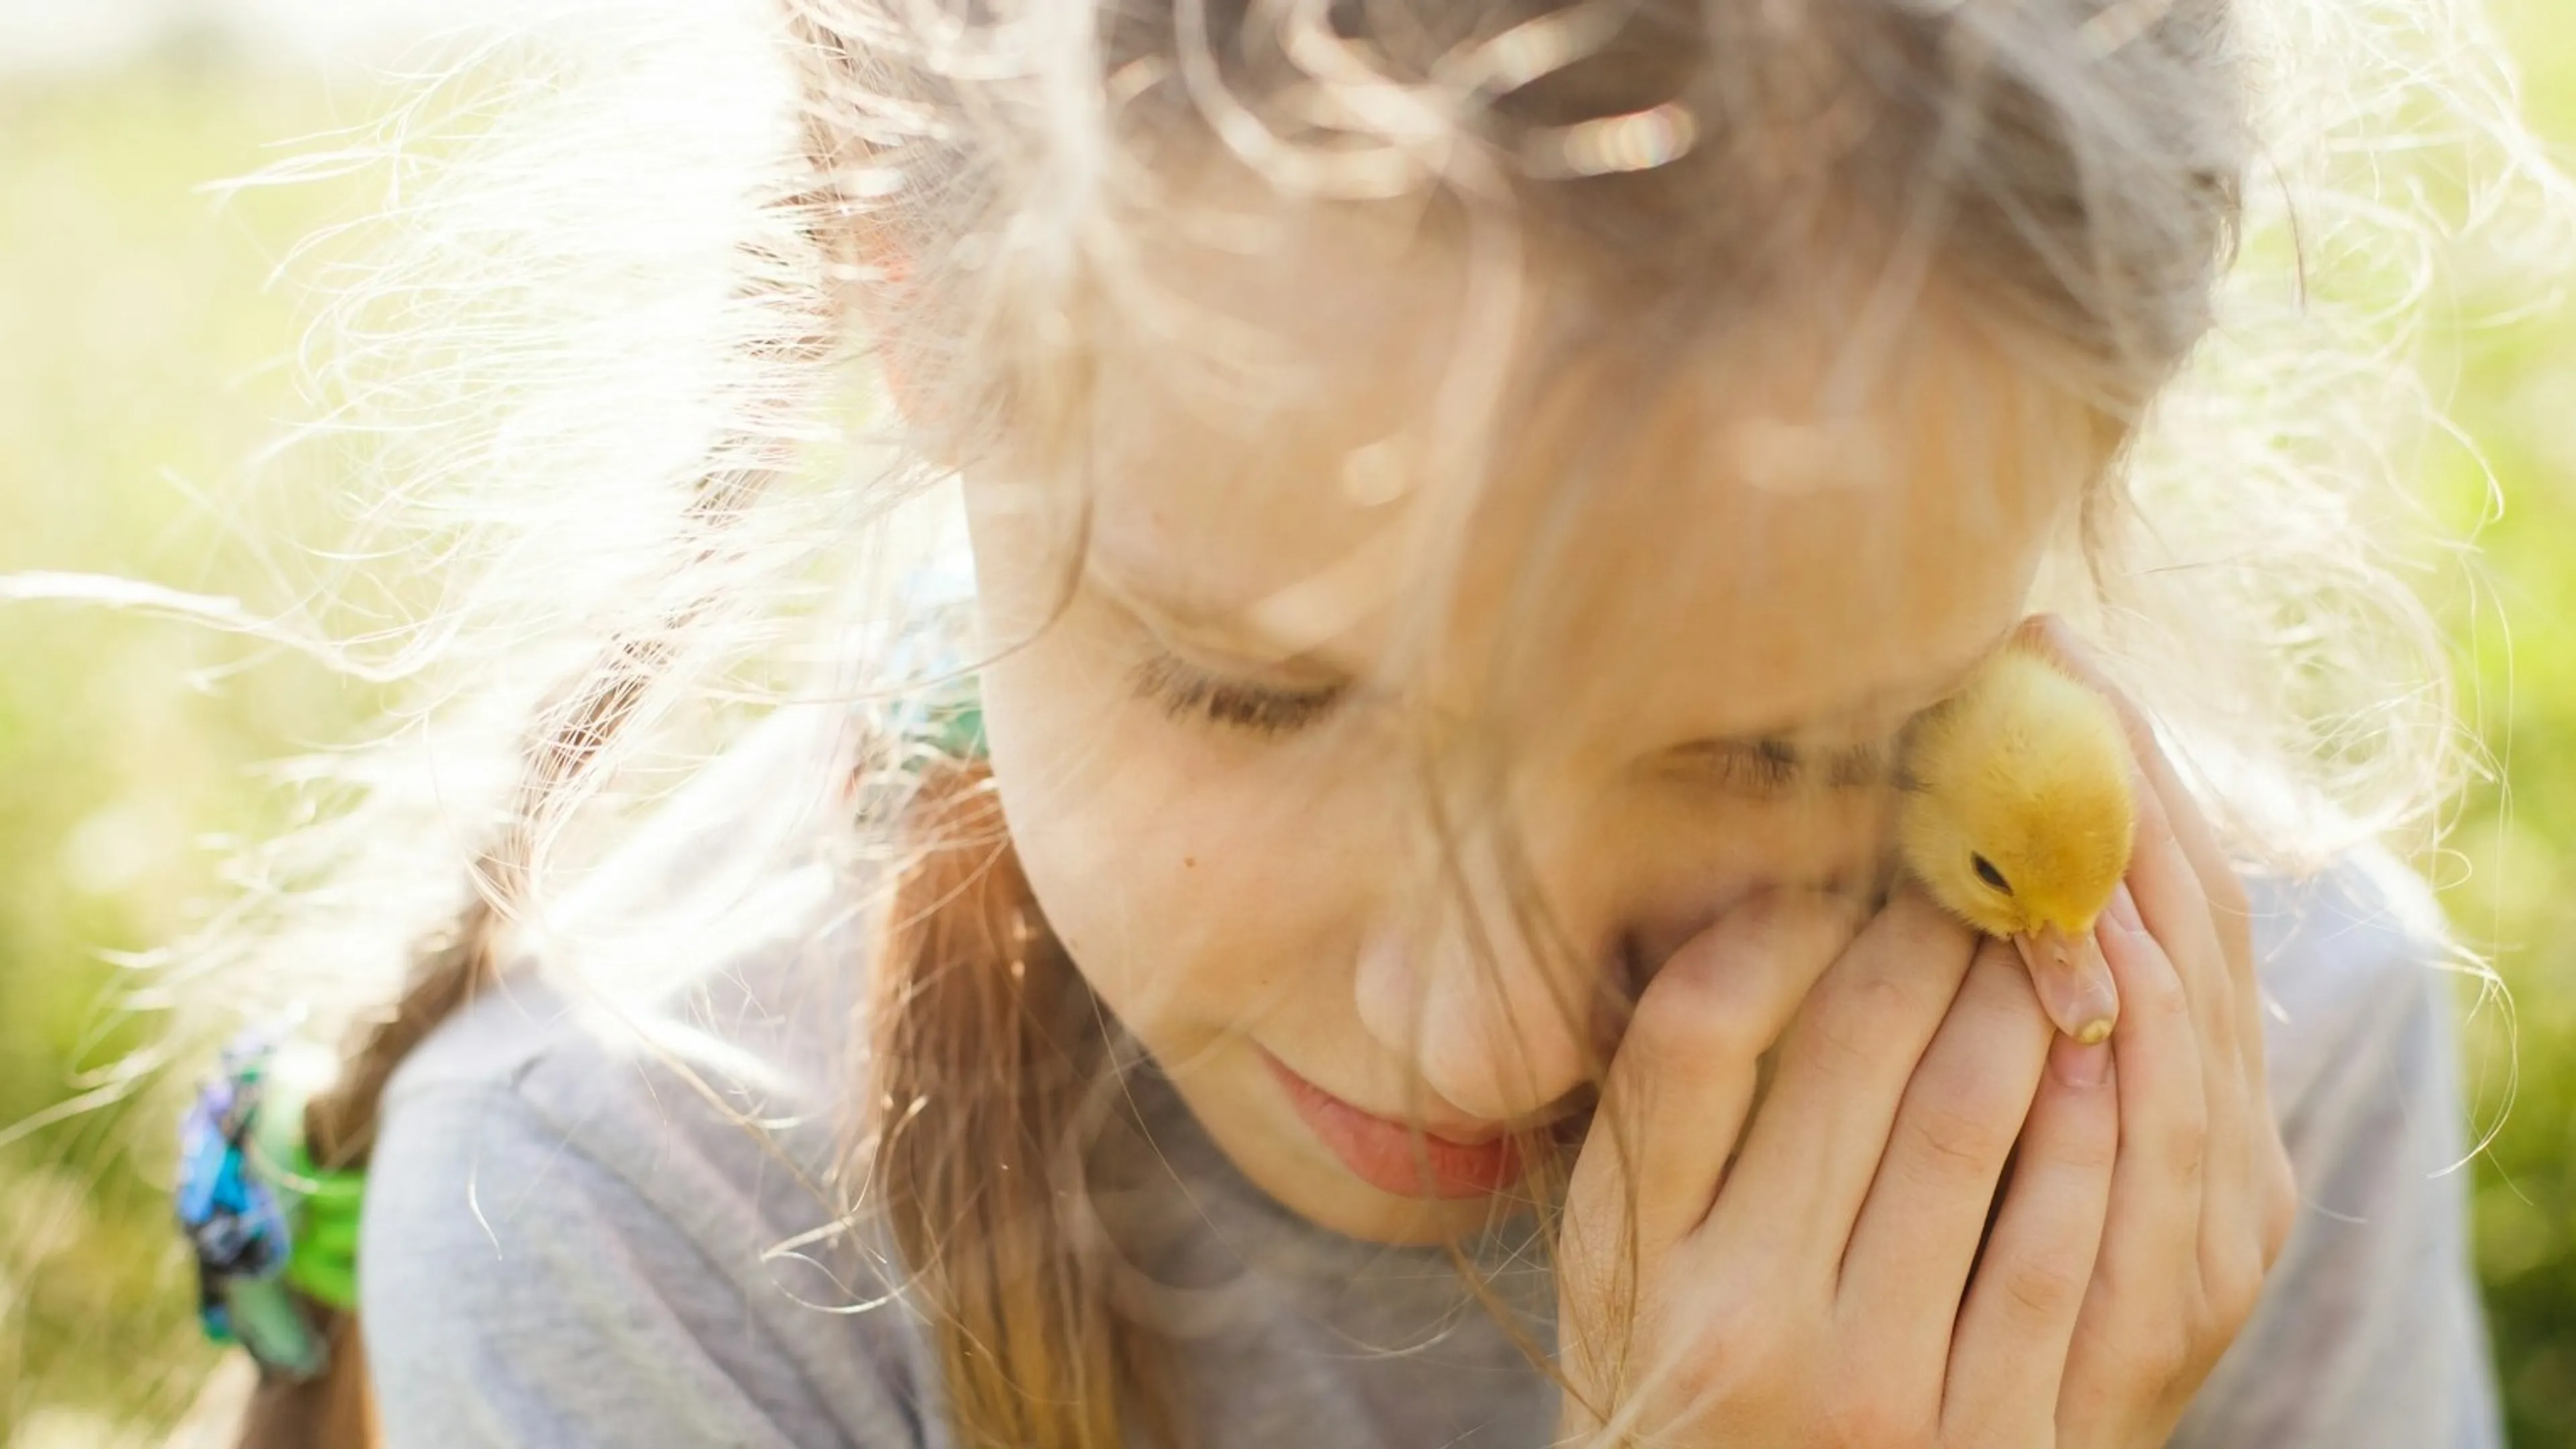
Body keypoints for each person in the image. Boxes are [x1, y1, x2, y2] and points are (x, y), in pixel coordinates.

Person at [171, 0, 2531, 1443]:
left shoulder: (2224, 1094)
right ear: (912, 305)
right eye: (1248, 691)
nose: (1483, 1030)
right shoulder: (642, 1227)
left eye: (1788, 746)